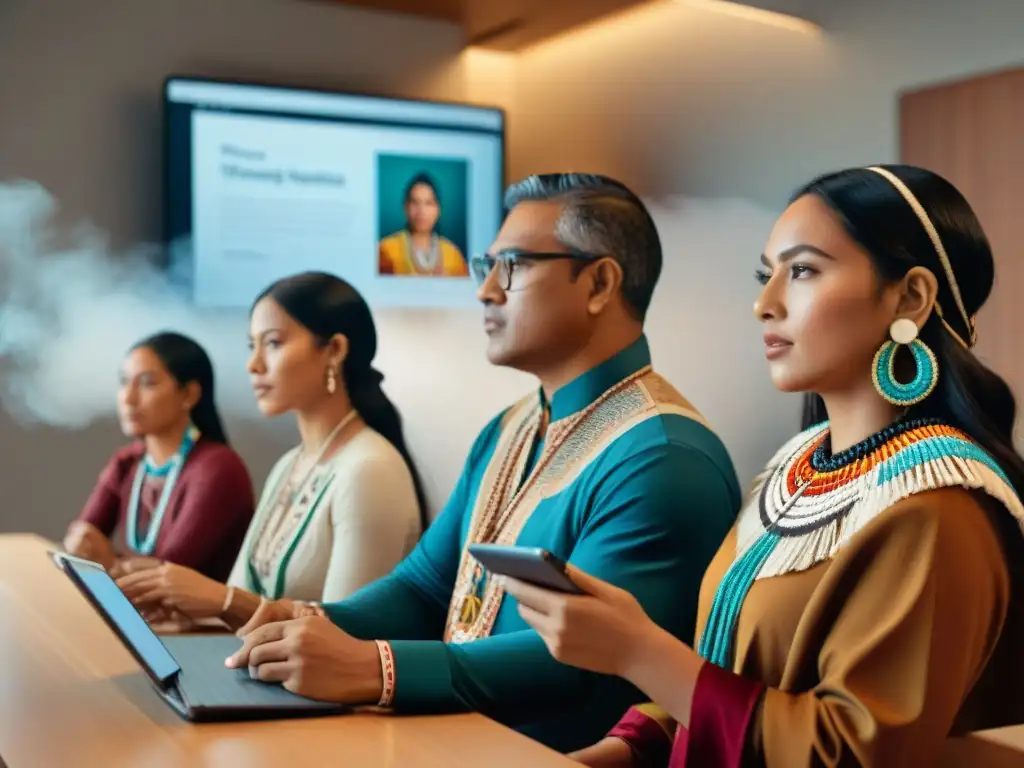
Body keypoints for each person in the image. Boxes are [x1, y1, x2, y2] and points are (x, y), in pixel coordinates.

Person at [503, 165, 1024, 767]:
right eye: (766, 273)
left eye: (802, 271)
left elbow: (849, 753)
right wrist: (608, 754)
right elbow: (727, 675)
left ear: (910, 296)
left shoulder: (940, 507)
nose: (763, 303)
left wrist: (638, 651)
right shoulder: (793, 470)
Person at [224, 174, 742, 753]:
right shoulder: (511, 426)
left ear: (599, 283)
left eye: (513, 267)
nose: (486, 291)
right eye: (485, 267)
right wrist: (305, 619)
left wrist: (376, 667)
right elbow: (424, 588)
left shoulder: (663, 457)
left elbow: (579, 660)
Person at [117, 273, 426, 627]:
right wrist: (184, 614)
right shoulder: (290, 465)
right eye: (252, 346)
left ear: (335, 350)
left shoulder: (370, 469)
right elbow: (237, 603)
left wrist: (223, 600)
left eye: (273, 343)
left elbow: (345, 635)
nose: (254, 365)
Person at [64, 332, 255, 583]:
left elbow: (170, 576)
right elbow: (85, 538)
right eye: (124, 382)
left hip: (204, 622)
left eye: (147, 383)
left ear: (189, 395)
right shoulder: (127, 463)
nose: (128, 398)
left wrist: (109, 562)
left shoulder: (217, 468)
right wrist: (86, 548)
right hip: (146, 614)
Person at [378, 172, 468, 277]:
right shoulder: (386, 250)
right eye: (415, 202)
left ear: (438, 210)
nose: (421, 211)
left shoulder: (453, 255)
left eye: (428, 203)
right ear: (405, 207)